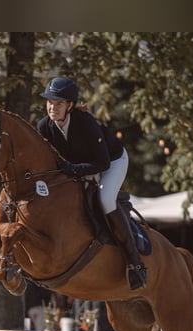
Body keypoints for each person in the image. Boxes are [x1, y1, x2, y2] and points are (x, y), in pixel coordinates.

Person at [37, 76, 147, 290]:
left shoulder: (85, 123)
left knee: (105, 200)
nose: (52, 107)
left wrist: (72, 170)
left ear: (70, 105)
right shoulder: (44, 126)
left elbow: (102, 163)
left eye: (58, 103)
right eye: (50, 102)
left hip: (112, 161)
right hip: (78, 165)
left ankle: (135, 263)